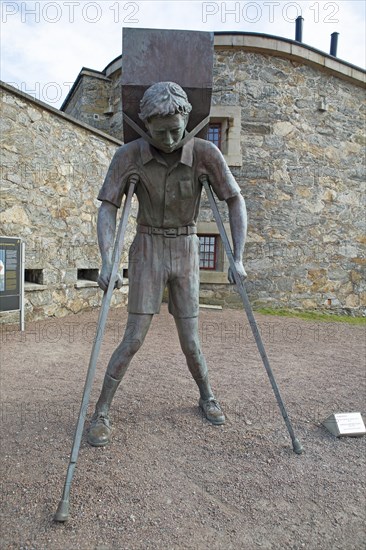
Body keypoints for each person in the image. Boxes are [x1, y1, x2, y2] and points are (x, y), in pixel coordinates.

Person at [88, 81, 247, 446]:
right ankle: (102, 410)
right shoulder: (128, 155)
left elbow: (235, 201)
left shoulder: (206, 153)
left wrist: (238, 257)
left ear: (187, 119)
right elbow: (108, 207)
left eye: (176, 130)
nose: (171, 139)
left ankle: (206, 395)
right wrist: (108, 259)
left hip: (187, 248)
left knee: (191, 341)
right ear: (146, 126)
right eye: (161, 133)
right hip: (147, 248)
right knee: (133, 338)